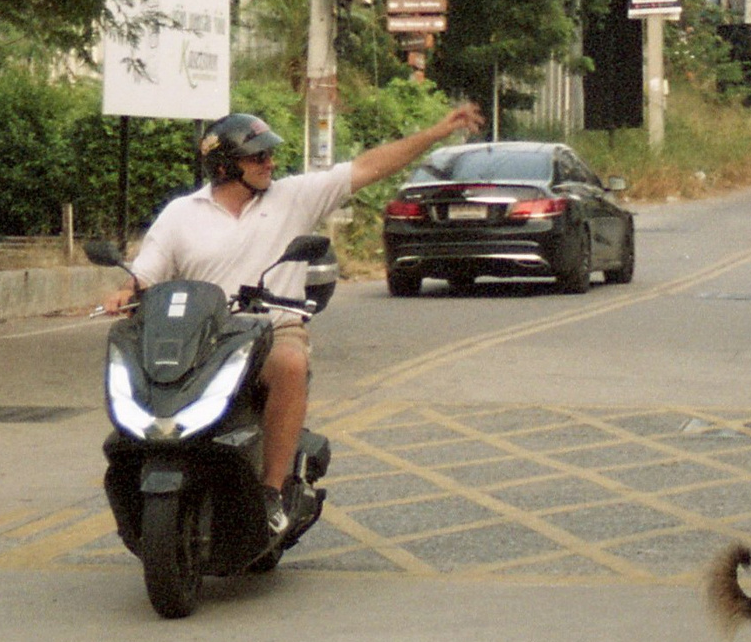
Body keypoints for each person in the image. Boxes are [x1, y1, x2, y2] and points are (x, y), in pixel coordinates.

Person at [106, 102, 482, 535]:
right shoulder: (181, 213)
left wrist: (435, 132)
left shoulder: (293, 197)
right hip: (203, 332)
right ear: (226, 166)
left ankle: (272, 489)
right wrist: (124, 292)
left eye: (269, 155)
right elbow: (147, 273)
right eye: (258, 157)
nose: (270, 163)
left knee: (290, 364)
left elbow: (367, 167)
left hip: (271, 326)